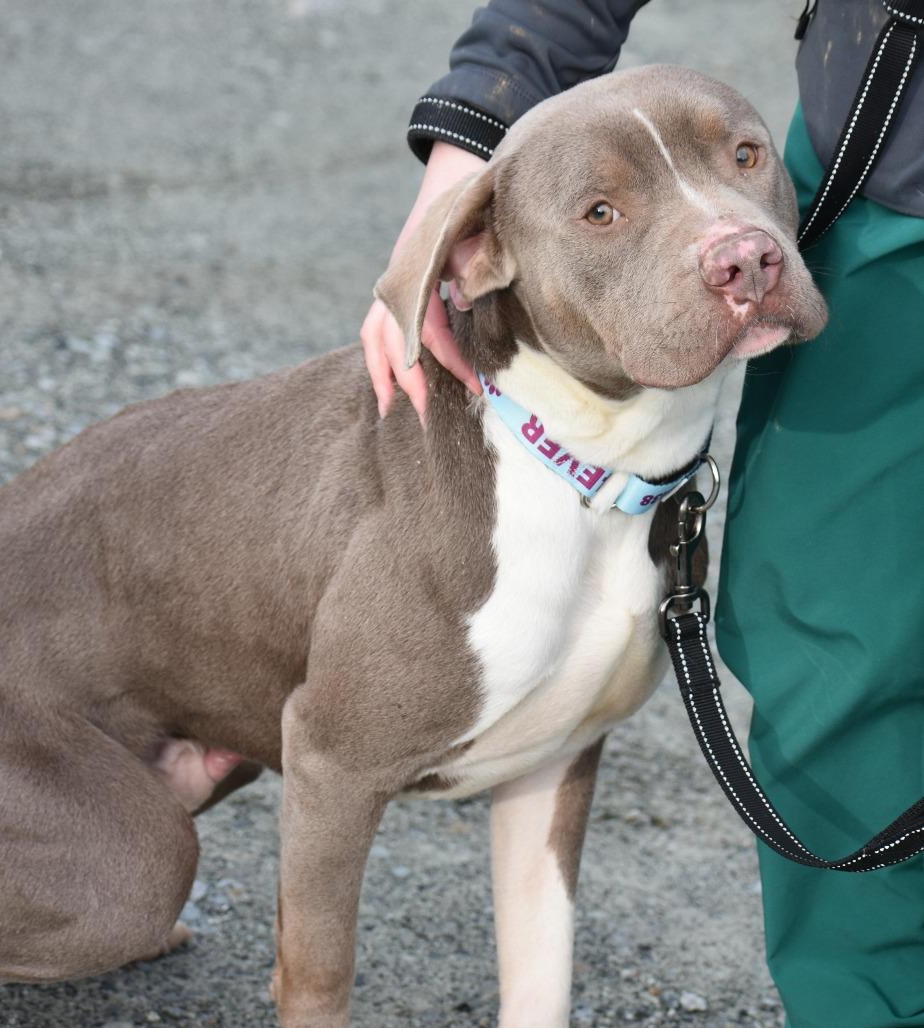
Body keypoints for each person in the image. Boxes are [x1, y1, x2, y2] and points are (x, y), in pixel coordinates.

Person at [360, 3, 924, 1026]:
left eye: (738, 159)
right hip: (898, 172)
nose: (733, 240)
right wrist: (474, 124)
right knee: (838, 644)